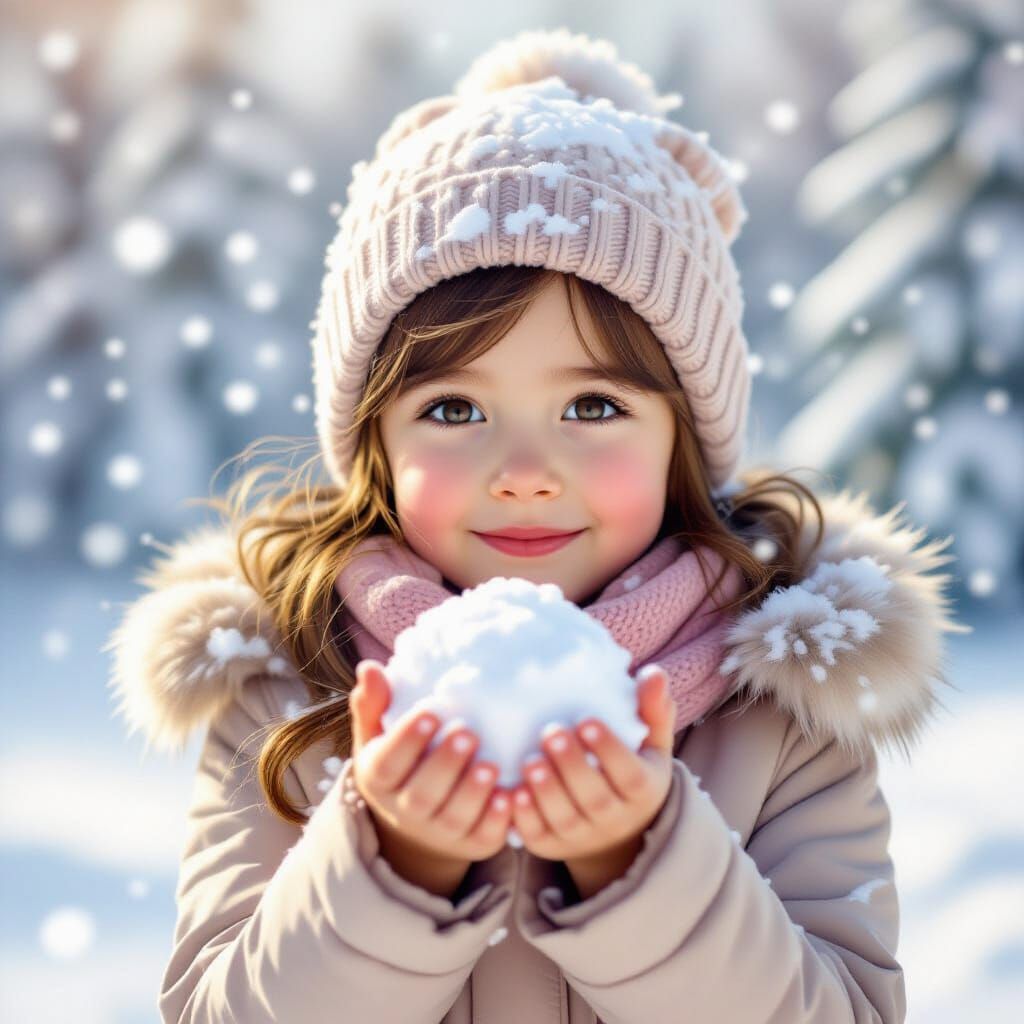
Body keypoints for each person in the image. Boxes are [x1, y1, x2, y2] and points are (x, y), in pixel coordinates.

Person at [105, 28, 968, 1024]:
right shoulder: (288, 690)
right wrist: (396, 863)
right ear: (373, 444)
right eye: (455, 410)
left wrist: (633, 861)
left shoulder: (776, 708)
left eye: (593, 407)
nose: (521, 475)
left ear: (679, 439)